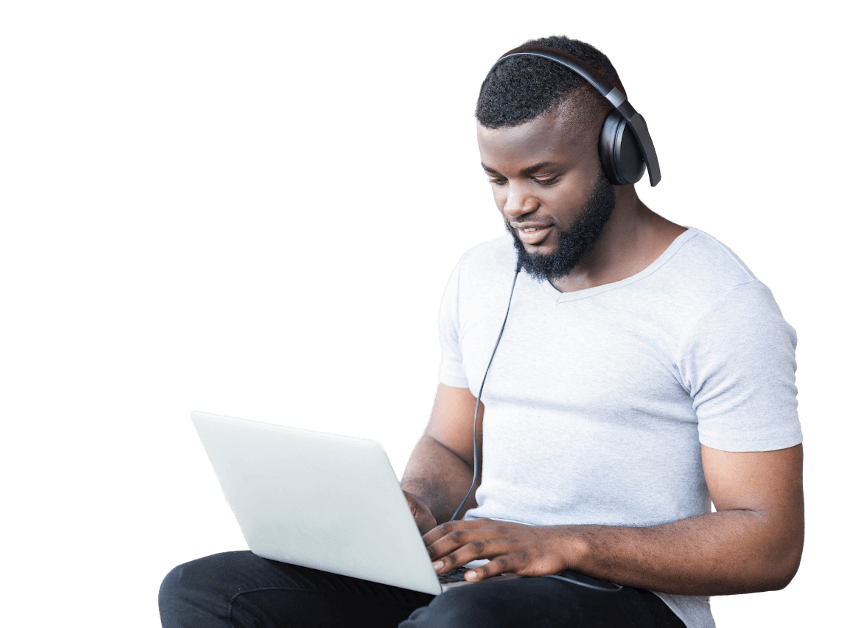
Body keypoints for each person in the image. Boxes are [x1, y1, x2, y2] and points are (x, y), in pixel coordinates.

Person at [159, 34, 803, 628]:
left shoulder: (720, 304)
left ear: (619, 155)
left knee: (461, 623)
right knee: (208, 592)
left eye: (543, 177)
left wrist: (560, 543)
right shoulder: (480, 274)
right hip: (477, 571)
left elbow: (768, 543)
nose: (514, 204)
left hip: (625, 596)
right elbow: (451, 444)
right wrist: (411, 504)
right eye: (496, 179)